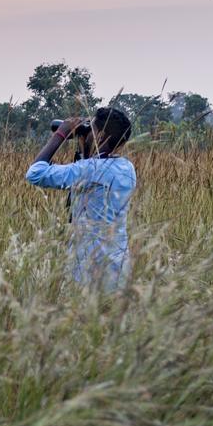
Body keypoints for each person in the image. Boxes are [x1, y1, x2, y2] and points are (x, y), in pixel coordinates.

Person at [25, 107, 136, 290]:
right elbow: (99, 167)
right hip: (119, 267)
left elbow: (35, 173)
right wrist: (86, 148)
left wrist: (61, 133)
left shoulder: (89, 170)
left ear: (99, 136)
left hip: (89, 270)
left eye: (90, 129)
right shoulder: (127, 168)